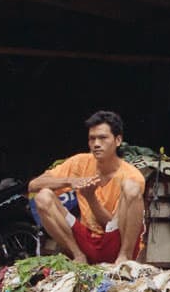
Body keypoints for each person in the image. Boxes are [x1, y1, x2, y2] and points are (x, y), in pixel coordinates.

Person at [28, 110, 146, 263]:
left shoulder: (131, 175)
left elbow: (109, 225)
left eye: (103, 138)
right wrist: (69, 181)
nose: (96, 144)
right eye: (92, 139)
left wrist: (90, 198)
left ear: (117, 140)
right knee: (43, 196)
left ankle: (125, 258)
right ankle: (77, 255)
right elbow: (33, 185)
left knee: (132, 188)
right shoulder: (79, 162)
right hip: (85, 241)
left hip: (114, 241)